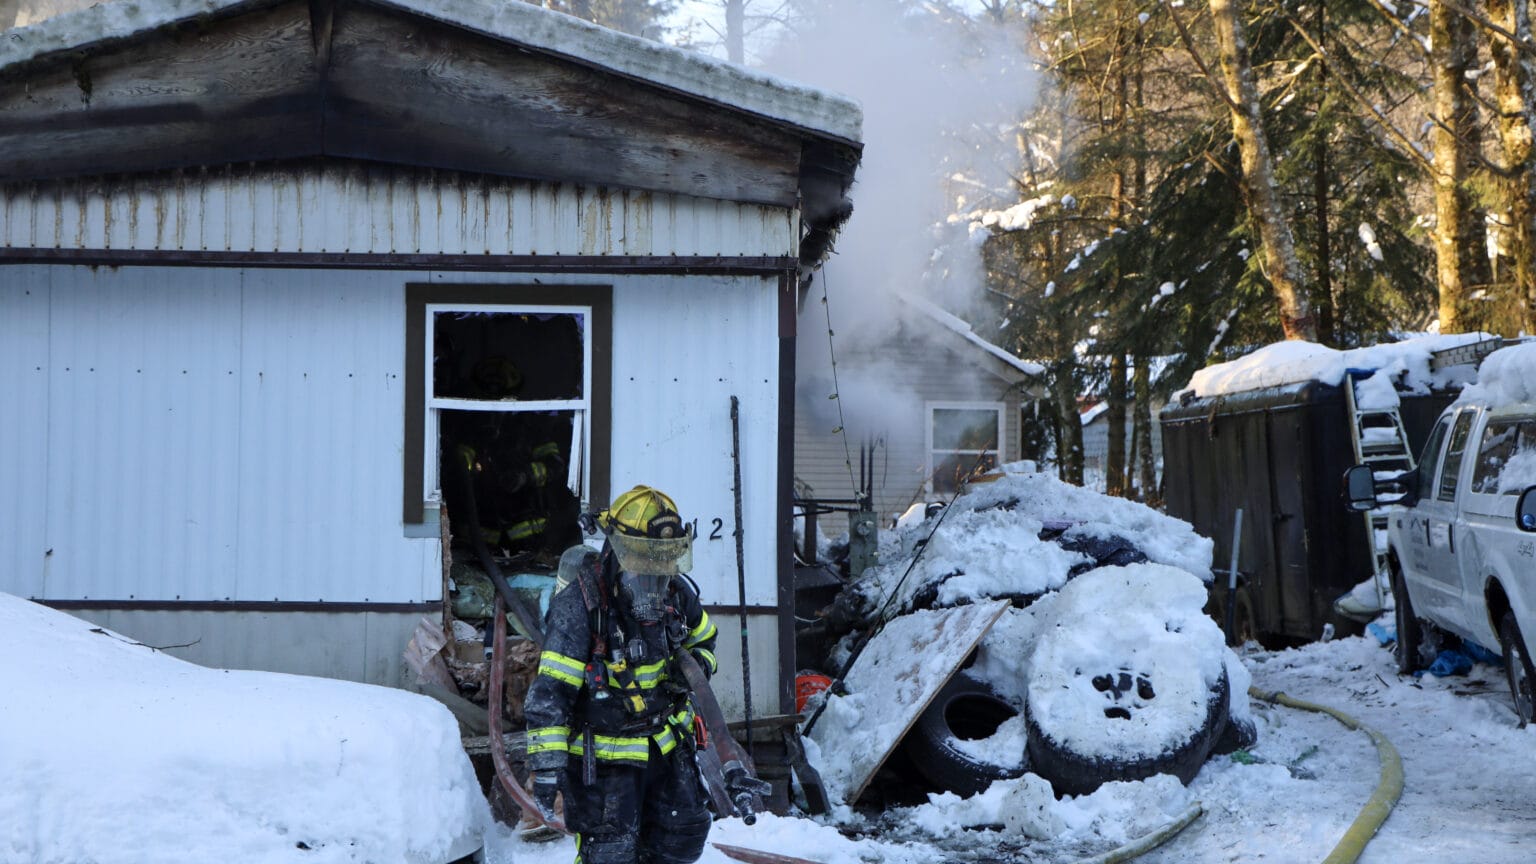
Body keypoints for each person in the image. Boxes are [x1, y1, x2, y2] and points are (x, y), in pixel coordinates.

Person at [523, 486, 719, 864]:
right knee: (609, 854)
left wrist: (692, 672)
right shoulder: (579, 607)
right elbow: (550, 694)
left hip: (666, 748)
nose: (654, 577)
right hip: (606, 759)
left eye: (662, 563)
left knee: (683, 838)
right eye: (644, 562)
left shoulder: (676, 595)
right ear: (616, 551)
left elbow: (705, 641)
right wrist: (547, 768)